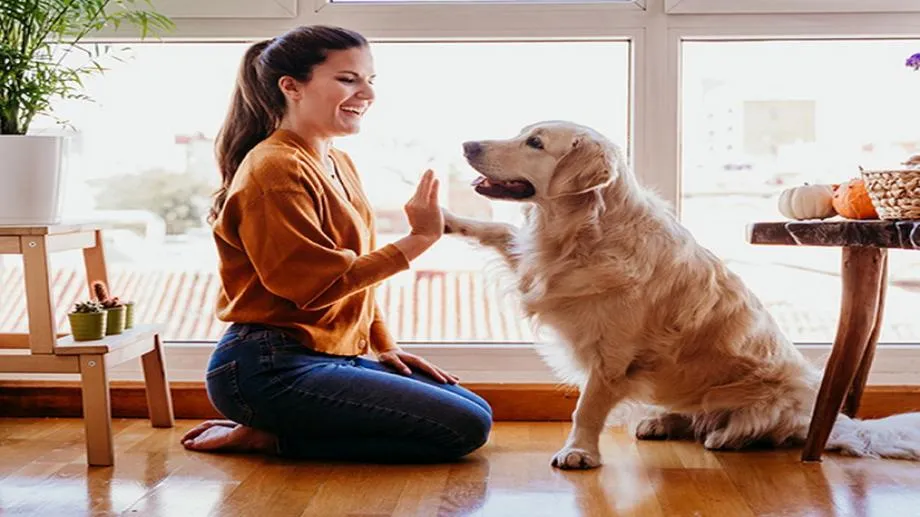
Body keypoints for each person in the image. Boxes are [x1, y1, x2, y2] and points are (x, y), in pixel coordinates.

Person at [180, 25, 493, 462]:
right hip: (266, 366)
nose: (368, 93)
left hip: (328, 354)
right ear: (291, 87)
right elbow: (312, 287)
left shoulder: (336, 161)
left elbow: (356, 274)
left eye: (370, 80)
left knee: (476, 408)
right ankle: (268, 438)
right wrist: (420, 239)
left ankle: (280, 428)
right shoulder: (274, 168)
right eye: (348, 79)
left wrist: (385, 346)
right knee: (464, 427)